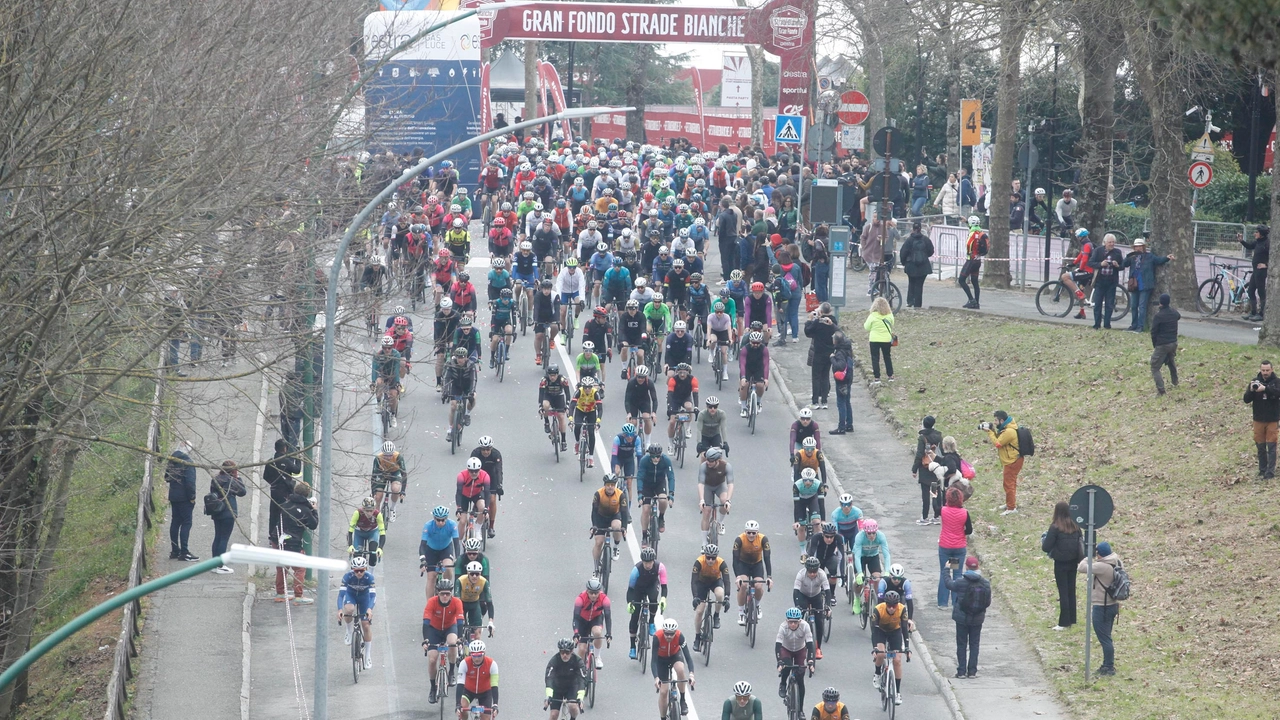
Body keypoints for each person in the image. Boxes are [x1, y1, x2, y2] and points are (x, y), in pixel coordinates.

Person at [1078, 541, 1121, 676]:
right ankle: (1107, 664)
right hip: (1112, 605)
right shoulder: (1117, 561)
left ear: (1100, 555)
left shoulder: (1103, 566)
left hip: (1102, 607)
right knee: (1107, 636)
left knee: (1105, 639)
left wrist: (1087, 556)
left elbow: (1081, 568)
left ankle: (1108, 666)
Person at [1041, 501, 1084, 630]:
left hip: (1060, 563)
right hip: (1073, 563)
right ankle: (1072, 618)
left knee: (1063, 592)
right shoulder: (1076, 526)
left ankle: (1064, 622)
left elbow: (1046, 547)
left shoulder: (1055, 527)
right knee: (1071, 590)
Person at [945, 556, 989, 678]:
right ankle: (972, 671)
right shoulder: (985, 583)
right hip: (977, 619)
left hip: (962, 618)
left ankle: (961, 671)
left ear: (966, 566)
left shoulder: (960, 582)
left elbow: (948, 584)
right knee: (974, 644)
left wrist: (947, 569)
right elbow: (987, 602)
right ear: (978, 567)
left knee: (962, 644)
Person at [423, 578, 465, 704]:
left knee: (452, 643)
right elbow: (425, 622)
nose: (445, 596)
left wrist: (460, 638)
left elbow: (460, 621)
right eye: (442, 594)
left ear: (451, 593)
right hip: (434, 630)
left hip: (449, 627)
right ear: (438, 593)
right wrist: (425, 640)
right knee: (432, 659)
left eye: (448, 593)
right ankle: (433, 687)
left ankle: (451, 671)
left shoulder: (457, 602)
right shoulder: (432, 602)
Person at [1122, 238, 1173, 333]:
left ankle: (1140, 326)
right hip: (1134, 285)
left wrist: (1167, 258)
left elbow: (1159, 260)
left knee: (1142, 306)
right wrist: (1129, 256)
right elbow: (1124, 264)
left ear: (1143, 247)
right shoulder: (1132, 257)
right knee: (1133, 306)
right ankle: (1134, 325)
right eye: (1136, 246)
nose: (1138, 248)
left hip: (1145, 285)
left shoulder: (1149, 256)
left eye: (1139, 246)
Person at [626, 546, 668, 658]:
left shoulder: (660, 567)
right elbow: (630, 590)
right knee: (634, 616)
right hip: (637, 590)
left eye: (650, 562)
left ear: (653, 561)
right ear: (642, 561)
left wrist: (663, 598)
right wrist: (630, 603)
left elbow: (664, 586)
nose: (648, 565)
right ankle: (632, 647)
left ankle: (651, 622)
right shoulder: (636, 570)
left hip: (651, 586)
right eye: (645, 562)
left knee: (654, 600)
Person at [870, 589, 912, 703]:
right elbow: (874, 630)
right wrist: (875, 647)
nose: (892, 608)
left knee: (897, 660)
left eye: (894, 605)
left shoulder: (902, 609)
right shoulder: (878, 609)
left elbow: (904, 629)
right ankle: (878, 673)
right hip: (881, 631)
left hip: (895, 631)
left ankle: (897, 693)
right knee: (881, 653)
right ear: (886, 603)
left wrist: (907, 647)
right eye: (889, 605)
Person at [690, 543, 732, 651]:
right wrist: (695, 597)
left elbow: (727, 581)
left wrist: (727, 597)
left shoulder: (721, 563)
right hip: (701, 583)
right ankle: (697, 637)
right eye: (708, 557)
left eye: (713, 558)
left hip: (715, 581)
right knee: (700, 611)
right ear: (705, 556)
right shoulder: (699, 562)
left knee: (720, 594)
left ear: (716, 557)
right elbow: (693, 581)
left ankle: (716, 615)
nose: (710, 560)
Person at [935, 487, 972, 608]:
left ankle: (942, 602)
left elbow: (936, 509)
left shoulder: (943, 510)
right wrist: (960, 532)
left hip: (945, 546)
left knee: (944, 573)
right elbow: (969, 530)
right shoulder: (964, 513)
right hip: (958, 548)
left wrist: (935, 496)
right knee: (957, 574)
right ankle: (956, 602)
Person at [338, 556, 377, 668]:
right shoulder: (347, 577)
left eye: (362, 570)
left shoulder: (370, 577)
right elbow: (341, 595)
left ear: (365, 569)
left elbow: (373, 595)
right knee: (349, 609)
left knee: (366, 625)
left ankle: (368, 655)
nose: (359, 573)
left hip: (365, 598)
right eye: (356, 571)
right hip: (351, 595)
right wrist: (340, 610)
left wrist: (370, 609)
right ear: (352, 570)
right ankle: (349, 631)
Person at [651, 618, 694, 719]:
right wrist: (656, 678)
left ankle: (683, 700)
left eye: (671, 634)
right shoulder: (657, 637)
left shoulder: (680, 636)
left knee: (680, 669)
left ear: (675, 632)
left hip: (675, 655)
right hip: (661, 660)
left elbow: (688, 657)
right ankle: (663, 717)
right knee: (663, 692)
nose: (669, 636)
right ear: (663, 631)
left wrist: (691, 674)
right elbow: (653, 661)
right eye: (666, 634)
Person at [1244, 360, 1280, 479]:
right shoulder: (1255, 382)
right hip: (1258, 419)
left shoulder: (1276, 382)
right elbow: (1246, 399)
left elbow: (1277, 393)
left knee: (1271, 446)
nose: (1265, 373)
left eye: (1267, 370)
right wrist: (1251, 389)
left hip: (1272, 419)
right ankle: (1262, 469)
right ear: (1260, 370)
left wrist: (1265, 389)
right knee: (1260, 447)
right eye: (1263, 370)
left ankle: (1270, 472)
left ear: (1272, 370)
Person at [207, 460, 246, 570]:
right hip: (228, 511)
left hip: (217, 510)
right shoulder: (232, 481)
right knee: (224, 538)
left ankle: (213, 563)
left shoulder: (216, 479)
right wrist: (238, 478)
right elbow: (243, 492)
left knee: (217, 536)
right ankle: (220, 565)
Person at [982, 410, 1022, 514]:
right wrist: (993, 431)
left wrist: (990, 432)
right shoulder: (1006, 428)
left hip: (1012, 460)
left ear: (1001, 420)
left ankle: (1011, 508)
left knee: (1009, 484)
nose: (994, 422)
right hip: (1011, 459)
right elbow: (1000, 439)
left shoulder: (1009, 431)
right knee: (1009, 483)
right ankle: (1010, 503)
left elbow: (998, 443)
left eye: (996, 420)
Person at [165, 441, 198, 561]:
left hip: (174, 496)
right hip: (184, 497)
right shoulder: (187, 462)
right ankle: (184, 551)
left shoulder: (172, 460)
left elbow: (167, 477)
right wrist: (192, 497)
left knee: (175, 522)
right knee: (187, 522)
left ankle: (175, 550)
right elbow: (190, 482)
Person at [774, 607, 815, 705]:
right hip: (786, 649)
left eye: (795, 622)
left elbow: (810, 645)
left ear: (799, 621)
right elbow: (778, 646)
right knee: (786, 665)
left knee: (800, 679)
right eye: (790, 622)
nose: (793, 624)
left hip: (800, 650)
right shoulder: (783, 627)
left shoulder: (805, 626)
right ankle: (783, 683)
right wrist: (779, 661)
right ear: (787, 621)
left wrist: (810, 661)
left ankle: (800, 709)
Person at [637, 443, 676, 544]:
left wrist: (671, 494)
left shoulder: (666, 460)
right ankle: (644, 535)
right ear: (649, 455)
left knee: (663, 500)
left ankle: (661, 517)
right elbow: (640, 477)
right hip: (647, 485)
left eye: (658, 456)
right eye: (653, 456)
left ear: (661, 455)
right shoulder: (644, 461)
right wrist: (640, 493)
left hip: (659, 483)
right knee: (646, 510)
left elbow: (671, 477)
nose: (655, 459)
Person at [1088, 234, 1125, 329]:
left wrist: (1117, 265)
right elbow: (1090, 263)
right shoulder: (1098, 251)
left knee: (1109, 304)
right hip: (1100, 280)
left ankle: (1107, 324)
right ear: (1105, 243)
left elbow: (1122, 266)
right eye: (1110, 242)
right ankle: (1097, 324)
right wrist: (1100, 264)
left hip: (1111, 281)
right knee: (1097, 304)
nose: (1112, 244)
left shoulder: (1117, 252)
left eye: (1113, 242)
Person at [804, 303, 837, 408]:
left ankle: (815, 401)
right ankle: (824, 401)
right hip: (829, 352)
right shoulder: (833, 321)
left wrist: (809, 320)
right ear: (830, 311)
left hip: (818, 352)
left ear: (821, 311)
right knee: (825, 376)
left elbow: (808, 332)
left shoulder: (818, 322)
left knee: (816, 377)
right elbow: (836, 331)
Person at [420, 506, 460, 592]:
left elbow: (456, 543)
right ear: (434, 518)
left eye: (443, 520)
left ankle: (447, 590)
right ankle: (429, 604)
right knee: (431, 578)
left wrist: (458, 558)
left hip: (445, 549)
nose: (440, 522)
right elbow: (422, 545)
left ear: (446, 518)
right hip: (431, 550)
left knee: (448, 568)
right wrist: (423, 561)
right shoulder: (428, 526)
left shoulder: (452, 525)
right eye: (438, 520)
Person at [456, 640, 500, 718]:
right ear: (470, 654)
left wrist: (495, 704)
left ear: (484, 654)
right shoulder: (464, 663)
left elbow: (494, 686)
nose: (476, 659)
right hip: (468, 691)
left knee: (485, 718)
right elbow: (460, 684)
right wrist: (458, 705)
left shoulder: (492, 664)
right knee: (462, 710)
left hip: (485, 693)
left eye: (479, 655)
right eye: (474, 655)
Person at [544, 638, 586, 719]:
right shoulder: (554, 660)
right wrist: (548, 695)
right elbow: (549, 678)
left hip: (572, 687)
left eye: (567, 652)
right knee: (554, 715)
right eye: (562, 652)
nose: (564, 655)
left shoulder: (578, 661)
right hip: (557, 688)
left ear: (572, 651)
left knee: (573, 707)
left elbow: (582, 680)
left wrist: (580, 697)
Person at [912, 416, 943, 525]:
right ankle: (937, 516)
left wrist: (914, 469)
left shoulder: (922, 438)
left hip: (925, 469)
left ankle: (924, 517)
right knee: (935, 492)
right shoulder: (939, 436)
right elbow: (942, 451)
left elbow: (920, 454)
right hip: (936, 467)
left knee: (925, 494)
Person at [898, 220, 934, 309]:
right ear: (921, 229)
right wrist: (924, 256)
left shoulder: (909, 240)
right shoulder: (926, 240)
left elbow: (903, 253)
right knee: (919, 285)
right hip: (924, 266)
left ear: (912, 229)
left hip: (911, 266)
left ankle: (910, 301)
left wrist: (904, 263)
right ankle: (918, 304)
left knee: (911, 282)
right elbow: (931, 251)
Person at [1149, 293, 1180, 396]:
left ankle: (1161, 390)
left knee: (1154, 367)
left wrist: (1155, 344)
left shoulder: (1158, 316)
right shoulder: (1174, 313)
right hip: (1173, 343)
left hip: (1162, 344)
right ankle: (1175, 381)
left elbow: (1153, 332)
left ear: (1160, 304)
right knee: (1171, 361)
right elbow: (1178, 316)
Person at [864, 296, 895, 384]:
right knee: (887, 357)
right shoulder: (889, 315)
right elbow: (892, 324)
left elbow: (866, 327)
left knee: (875, 358)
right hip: (886, 339)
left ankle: (877, 377)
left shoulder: (872, 316)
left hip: (874, 339)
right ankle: (890, 375)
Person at [1242, 225, 1270, 321]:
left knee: (1261, 291)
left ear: (1261, 234)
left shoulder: (1267, 243)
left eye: (1257, 232)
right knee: (1251, 290)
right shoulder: (1258, 242)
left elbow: (1274, 257)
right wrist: (1241, 241)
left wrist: (1266, 265)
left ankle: (1261, 314)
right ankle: (1253, 312)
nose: (1255, 234)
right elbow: (1250, 246)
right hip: (1255, 270)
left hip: (1261, 271)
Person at [829, 331, 855, 435]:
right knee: (847, 401)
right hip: (848, 378)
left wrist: (832, 358)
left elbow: (839, 366)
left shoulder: (839, 352)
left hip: (842, 381)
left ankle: (841, 427)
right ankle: (849, 425)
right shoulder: (847, 348)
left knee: (841, 403)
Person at [958, 216, 986, 309]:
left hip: (971, 260)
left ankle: (971, 300)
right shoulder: (981, 232)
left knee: (961, 280)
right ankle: (976, 303)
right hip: (978, 260)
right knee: (975, 282)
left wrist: (969, 253)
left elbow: (968, 244)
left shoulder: (972, 234)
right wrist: (966, 221)